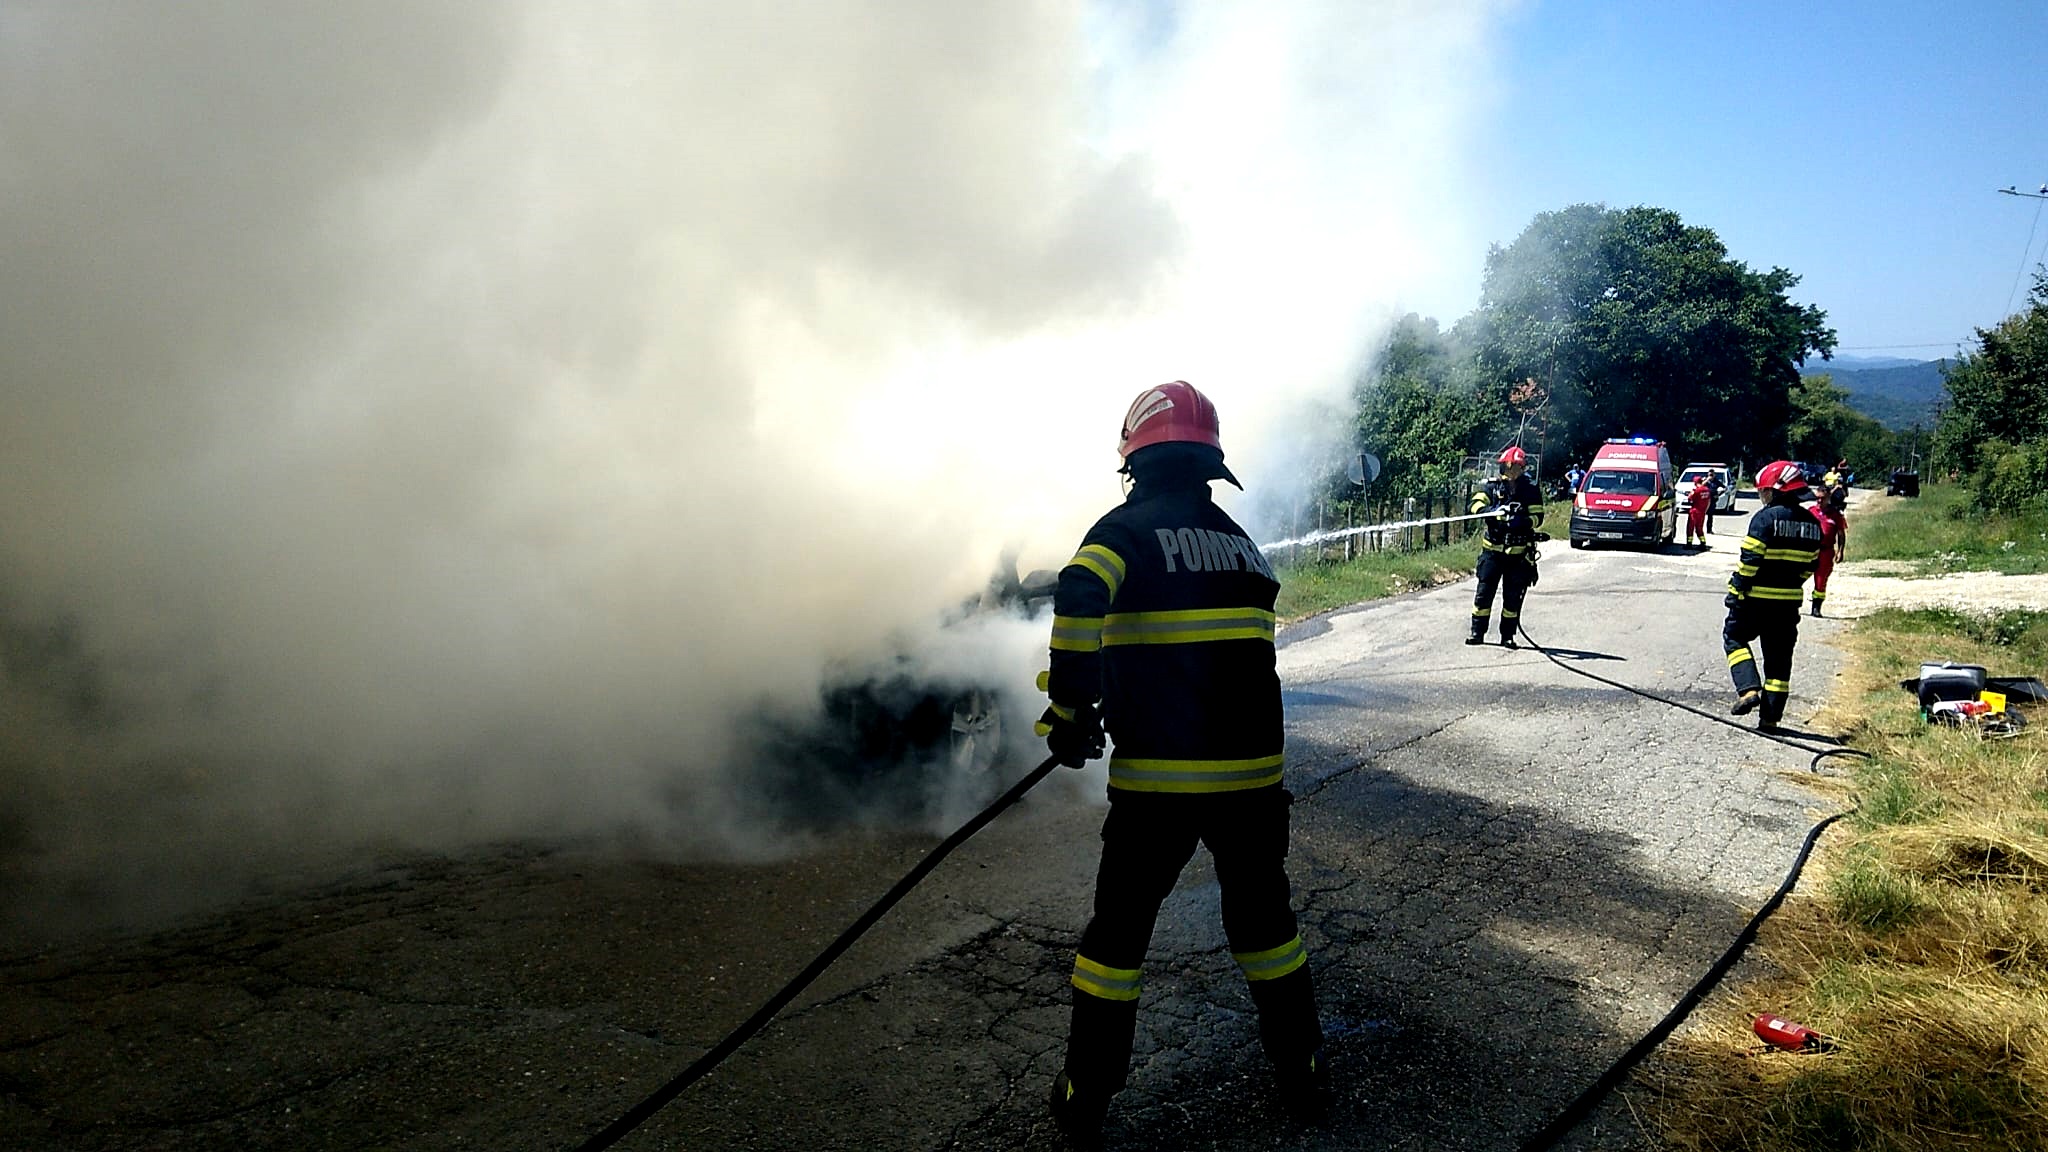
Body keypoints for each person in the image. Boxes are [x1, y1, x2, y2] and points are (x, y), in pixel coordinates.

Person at [1038, 380, 1325, 1144]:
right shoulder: (1243, 545)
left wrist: (1070, 709)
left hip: (1159, 786)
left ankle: (1086, 1093)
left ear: (1135, 462)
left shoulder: (1125, 531)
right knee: (1267, 930)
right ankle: (1302, 1069)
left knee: (1117, 940)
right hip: (1253, 783)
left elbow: (1079, 590)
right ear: (1208, 467)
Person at [1724, 460, 1824, 730]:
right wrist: (1789, 584)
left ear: (1777, 489)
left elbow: (1749, 561)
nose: (1762, 496)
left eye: (1763, 491)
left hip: (1754, 600)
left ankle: (1748, 690)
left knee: (1734, 638)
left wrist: (1736, 590)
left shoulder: (1765, 518)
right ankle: (1770, 719)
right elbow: (1811, 566)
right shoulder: (1813, 524)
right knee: (1779, 663)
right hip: (1787, 606)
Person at [1467, 445, 1546, 648]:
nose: (1511, 472)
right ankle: (1477, 633)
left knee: (1512, 598)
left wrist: (1523, 521)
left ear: (1522, 469)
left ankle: (1507, 636)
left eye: (1515, 468)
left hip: (1517, 555)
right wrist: (1492, 511)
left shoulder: (1530, 490)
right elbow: (1474, 506)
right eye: (1508, 468)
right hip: (1492, 552)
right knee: (1484, 594)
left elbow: (1538, 517)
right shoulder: (1492, 487)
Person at [1808, 493, 1847, 616]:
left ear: (1828, 499)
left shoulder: (1836, 515)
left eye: (1822, 498)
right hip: (1809, 550)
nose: (1819, 500)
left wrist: (1840, 551)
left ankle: (1816, 607)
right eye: (1817, 498)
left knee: (1821, 581)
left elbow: (1841, 534)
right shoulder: (1810, 511)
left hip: (1826, 551)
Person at [1684, 473, 1713, 548]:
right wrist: (1705, 510)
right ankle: (1703, 543)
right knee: (1699, 528)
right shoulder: (1707, 490)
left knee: (1690, 527)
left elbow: (1690, 499)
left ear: (1695, 482)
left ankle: (1689, 544)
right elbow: (1709, 501)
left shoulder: (1696, 490)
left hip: (1694, 511)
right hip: (1702, 512)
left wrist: (1690, 494)